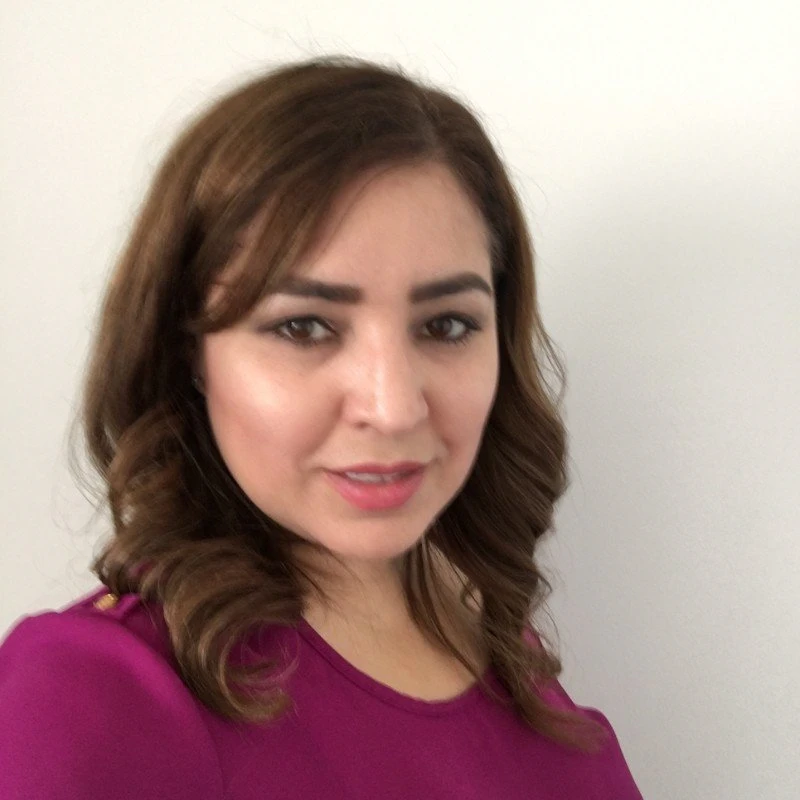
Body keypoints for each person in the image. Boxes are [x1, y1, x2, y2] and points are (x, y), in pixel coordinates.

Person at [0, 55, 642, 798]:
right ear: (189, 354)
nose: (393, 407)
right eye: (303, 326)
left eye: (445, 324)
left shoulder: (506, 649)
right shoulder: (95, 695)